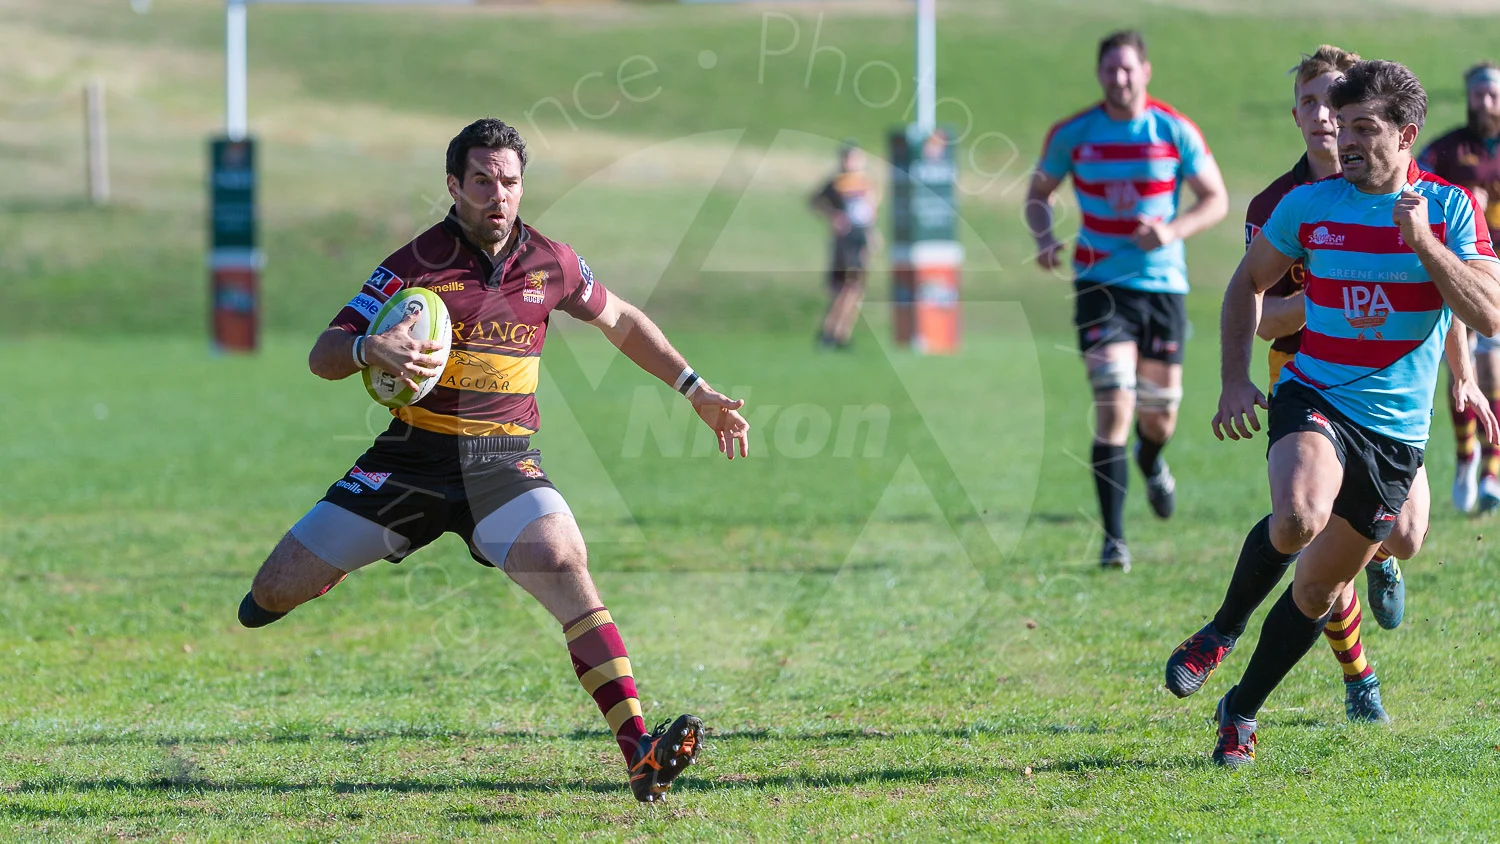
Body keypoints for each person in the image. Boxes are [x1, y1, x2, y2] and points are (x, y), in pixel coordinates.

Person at [234, 118, 752, 802]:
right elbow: (324, 352)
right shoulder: (413, 265)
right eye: (482, 181)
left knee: (567, 563)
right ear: (454, 185)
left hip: (502, 464)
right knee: (268, 595)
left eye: (509, 182)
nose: (497, 196)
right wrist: (369, 350)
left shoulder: (553, 261)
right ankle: (342, 559)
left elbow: (620, 319)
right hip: (409, 463)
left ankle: (639, 753)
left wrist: (695, 389)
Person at [1166, 46, 1487, 723]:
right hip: (1314, 393)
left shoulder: (1452, 208)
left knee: (1320, 585)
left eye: (1363, 127)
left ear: (1404, 136)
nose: (1344, 139)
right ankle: (1220, 630)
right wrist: (1232, 381)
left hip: (1395, 430)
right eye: (1341, 125)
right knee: (1297, 515)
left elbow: (1488, 312)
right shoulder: (1307, 205)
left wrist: (1426, 247)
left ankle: (1241, 711)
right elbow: (1246, 285)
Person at [1027, 30, 1229, 571]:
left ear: (1146, 70)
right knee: (1114, 402)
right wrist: (1044, 237)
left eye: (1128, 69)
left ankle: (1153, 460)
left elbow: (1216, 198)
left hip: (1163, 286)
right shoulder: (1074, 132)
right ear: (1099, 75)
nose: (1119, 79)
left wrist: (1171, 231)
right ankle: (1114, 539)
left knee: (1158, 419)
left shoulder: (1173, 129)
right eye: (1109, 70)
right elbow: (1037, 193)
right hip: (1100, 285)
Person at [1418, 62, 1500, 512]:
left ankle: (1492, 467)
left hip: (1498, 279)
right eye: (1478, 94)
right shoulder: (1447, 150)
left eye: (1492, 94)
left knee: (1492, 373)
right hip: (1458, 272)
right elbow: (1415, 185)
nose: (1484, 102)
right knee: (1460, 370)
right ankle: (1466, 456)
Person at [810, 140, 880, 349]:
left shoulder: (865, 182)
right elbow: (815, 202)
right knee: (846, 287)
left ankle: (842, 333)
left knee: (857, 289)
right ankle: (830, 331)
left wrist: (873, 234)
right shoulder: (837, 182)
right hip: (846, 239)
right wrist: (833, 216)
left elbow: (868, 212)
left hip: (861, 236)